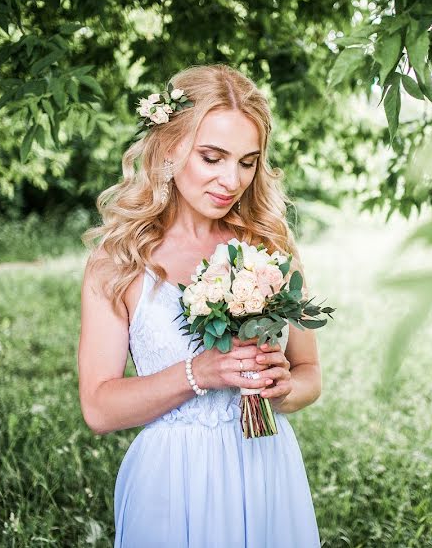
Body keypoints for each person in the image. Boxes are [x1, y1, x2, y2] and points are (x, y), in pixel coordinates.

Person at [77, 64, 322, 547]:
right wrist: (200, 373)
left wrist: (283, 389)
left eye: (247, 162)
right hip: (173, 481)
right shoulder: (119, 261)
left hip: (266, 465)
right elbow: (99, 409)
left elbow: (309, 372)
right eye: (212, 157)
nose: (231, 180)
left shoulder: (269, 248)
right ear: (169, 150)